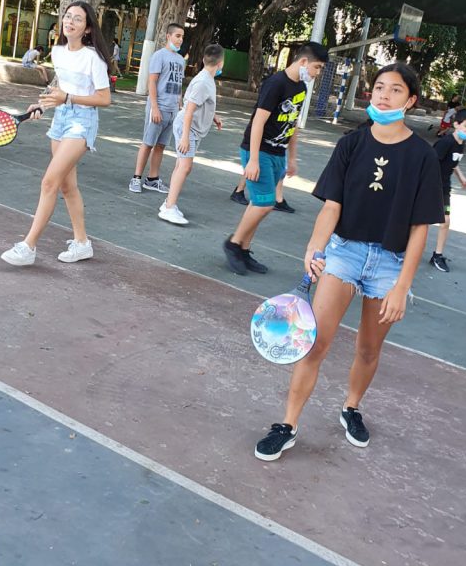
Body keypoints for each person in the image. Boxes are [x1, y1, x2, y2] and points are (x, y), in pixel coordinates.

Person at [254, 62, 444, 459]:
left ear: (410, 100)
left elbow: (420, 228)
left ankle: (351, 407)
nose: (384, 95)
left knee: (369, 349)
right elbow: (331, 206)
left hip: (390, 263)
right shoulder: (351, 144)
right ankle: (287, 425)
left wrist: (402, 286)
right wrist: (315, 247)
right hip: (344, 253)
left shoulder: (423, 156)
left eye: (395, 89)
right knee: (314, 343)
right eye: (379, 87)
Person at [0, 1, 111, 267]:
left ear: (87, 28)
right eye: (67, 16)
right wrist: (42, 104)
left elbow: (104, 98)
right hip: (61, 119)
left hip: (82, 122)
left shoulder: (93, 58)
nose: (70, 22)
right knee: (66, 186)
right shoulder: (58, 52)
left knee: (49, 182)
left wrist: (68, 98)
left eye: (78, 19)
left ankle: (28, 246)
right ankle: (82, 243)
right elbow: (58, 86)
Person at [223, 42, 329, 275]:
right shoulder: (276, 83)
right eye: (317, 67)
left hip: (278, 153)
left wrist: (292, 157)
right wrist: (253, 160)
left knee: (259, 204)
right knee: (265, 204)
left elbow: (292, 123)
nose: (317, 73)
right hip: (259, 151)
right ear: (304, 62)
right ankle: (233, 243)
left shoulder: (301, 87)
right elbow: (258, 122)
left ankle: (244, 249)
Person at [158, 43, 224, 225]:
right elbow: (188, 111)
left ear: (204, 59)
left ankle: (168, 203)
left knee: (182, 165)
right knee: (185, 167)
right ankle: (169, 207)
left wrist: (213, 116)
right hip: (188, 128)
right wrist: (185, 137)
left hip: (191, 127)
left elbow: (199, 104)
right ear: (220, 63)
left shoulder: (207, 79)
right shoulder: (203, 82)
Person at [129, 24, 186, 195]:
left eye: (182, 36)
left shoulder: (181, 60)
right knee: (148, 143)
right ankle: (136, 178)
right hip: (159, 107)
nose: (180, 39)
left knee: (161, 146)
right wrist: (154, 108)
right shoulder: (159, 56)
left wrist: (180, 105)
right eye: (177, 36)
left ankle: (152, 179)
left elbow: (178, 84)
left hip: (172, 110)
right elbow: (152, 82)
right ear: (168, 36)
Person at [429, 108, 466, 272]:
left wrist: (461, 177)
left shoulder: (461, 144)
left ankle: (437, 255)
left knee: (445, 221)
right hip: (432, 186)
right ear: (456, 124)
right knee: (419, 221)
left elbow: (453, 163)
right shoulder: (446, 142)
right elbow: (430, 163)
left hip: (444, 187)